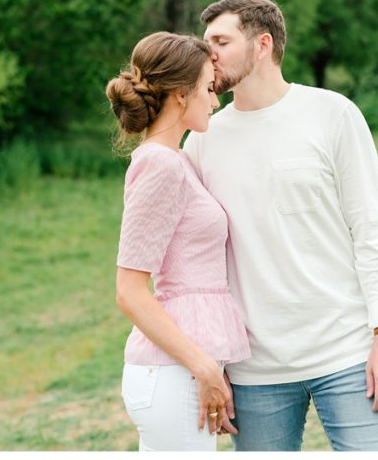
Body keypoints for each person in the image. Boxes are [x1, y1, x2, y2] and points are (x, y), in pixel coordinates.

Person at [182, 0, 378, 451]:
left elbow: (372, 230)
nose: (209, 55)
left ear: (262, 45)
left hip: (347, 353)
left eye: (221, 42)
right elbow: (196, 263)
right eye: (207, 43)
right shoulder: (203, 140)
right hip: (254, 371)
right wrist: (213, 362)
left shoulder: (333, 115)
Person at [107, 32, 251, 451]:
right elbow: (130, 292)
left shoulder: (179, 160)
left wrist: (211, 365)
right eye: (208, 88)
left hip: (183, 370)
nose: (216, 100)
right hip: (171, 376)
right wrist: (203, 367)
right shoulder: (158, 164)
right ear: (180, 94)